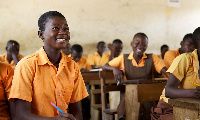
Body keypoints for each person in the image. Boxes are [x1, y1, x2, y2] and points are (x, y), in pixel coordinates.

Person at [8, 11, 88, 120]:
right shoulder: (27, 65)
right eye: (56, 28)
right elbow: (21, 114)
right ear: (41, 34)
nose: (63, 32)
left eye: (66, 29)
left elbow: (77, 111)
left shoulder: (72, 66)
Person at [103, 32, 168, 120]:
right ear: (131, 44)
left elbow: (165, 71)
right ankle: (121, 118)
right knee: (127, 99)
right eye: (137, 43)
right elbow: (105, 65)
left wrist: (173, 79)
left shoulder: (152, 57)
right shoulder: (124, 58)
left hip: (148, 93)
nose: (140, 47)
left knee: (149, 107)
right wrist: (115, 69)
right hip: (130, 92)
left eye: (144, 44)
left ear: (146, 46)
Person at [151, 28, 200, 120]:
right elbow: (168, 91)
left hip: (193, 108)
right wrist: (193, 92)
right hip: (170, 107)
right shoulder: (185, 59)